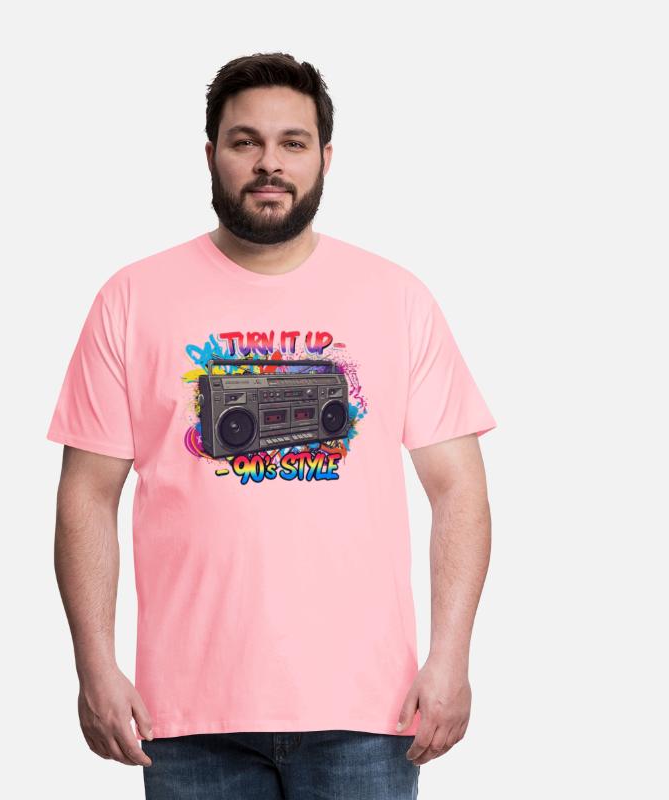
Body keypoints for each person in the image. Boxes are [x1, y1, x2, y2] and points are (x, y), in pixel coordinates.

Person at [47, 52, 496, 800]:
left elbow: (459, 490)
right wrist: (94, 665)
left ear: (325, 157)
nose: (269, 163)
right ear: (210, 155)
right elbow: (87, 494)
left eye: (292, 142)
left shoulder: (396, 297)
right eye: (245, 141)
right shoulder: (131, 298)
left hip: (369, 707)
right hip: (184, 712)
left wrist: (451, 659)